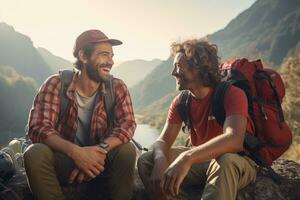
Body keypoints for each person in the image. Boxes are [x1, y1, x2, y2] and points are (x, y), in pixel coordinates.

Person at [138, 39, 258, 200]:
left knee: (226, 161)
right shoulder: (182, 101)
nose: (173, 72)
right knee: (147, 160)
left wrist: (187, 157)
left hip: (238, 162)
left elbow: (234, 140)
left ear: (198, 68)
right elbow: (163, 141)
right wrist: (160, 160)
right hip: (202, 162)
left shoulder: (232, 94)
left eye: (178, 67)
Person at [24, 29, 137, 200]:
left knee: (127, 150)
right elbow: (38, 127)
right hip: (67, 161)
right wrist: (76, 153)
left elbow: (127, 124)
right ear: (83, 56)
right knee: (34, 153)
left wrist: (98, 152)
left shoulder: (117, 87)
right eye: (104, 55)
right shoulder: (56, 84)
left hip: (101, 161)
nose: (110, 61)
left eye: (112, 56)